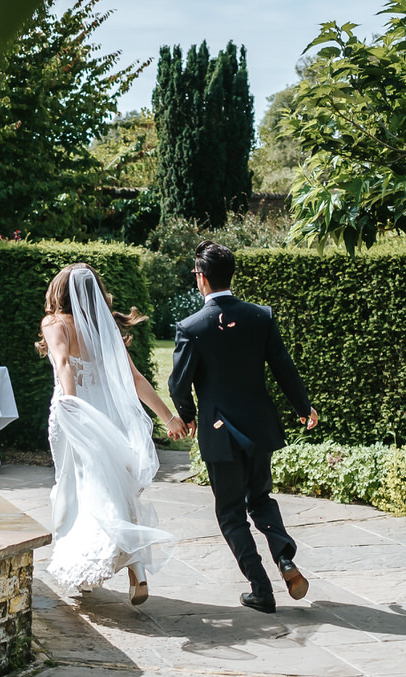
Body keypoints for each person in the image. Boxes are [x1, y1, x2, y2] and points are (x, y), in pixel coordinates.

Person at [169, 240, 318, 614]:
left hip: (219, 435)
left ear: (201, 278)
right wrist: (304, 407)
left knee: (231, 512)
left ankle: (261, 589)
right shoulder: (260, 316)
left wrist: (186, 415)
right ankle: (284, 558)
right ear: (230, 274)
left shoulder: (191, 327)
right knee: (261, 498)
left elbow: (177, 382)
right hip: (259, 427)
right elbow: (283, 366)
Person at [37, 263, 187, 605]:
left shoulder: (54, 323)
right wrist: (167, 417)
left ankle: (86, 568)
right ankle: (137, 569)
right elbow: (135, 380)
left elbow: (62, 364)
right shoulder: (102, 332)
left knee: (76, 488)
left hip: (72, 415)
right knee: (111, 487)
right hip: (106, 418)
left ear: (58, 292)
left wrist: (73, 407)